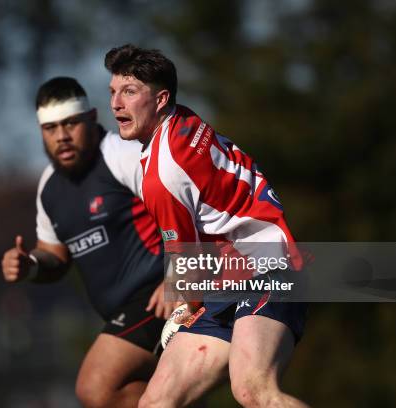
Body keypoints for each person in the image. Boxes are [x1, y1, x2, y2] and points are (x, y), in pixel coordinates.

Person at [105, 44, 309, 408]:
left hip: (269, 267)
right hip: (228, 275)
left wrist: (183, 306)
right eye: (113, 92)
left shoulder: (161, 175)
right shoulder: (182, 118)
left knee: (253, 391)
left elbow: (187, 272)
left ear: (161, 99)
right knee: (154, 404)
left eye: (130, 92)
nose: (116, 104)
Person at [1, 77, 179, 408]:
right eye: (50, 128)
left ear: (92, 117)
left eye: (70, 124)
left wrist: (177, 277)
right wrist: (31, 265)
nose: (62, 137)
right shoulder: (49, 187)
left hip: (157, 296)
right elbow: (55, 255)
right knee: (153, 395)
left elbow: (181, 208)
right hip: (122, 313)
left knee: (95, 387)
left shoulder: (122, 155)